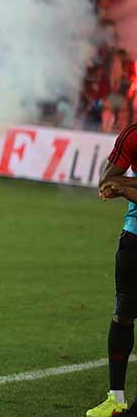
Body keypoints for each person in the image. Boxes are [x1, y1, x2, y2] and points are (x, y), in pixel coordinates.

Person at [89, 124, 137, 416]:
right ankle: (115, 400)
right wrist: (120, 186)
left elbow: (118, 185)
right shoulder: (133, 134)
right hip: (135, 237)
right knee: (123, 316)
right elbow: (107, 180)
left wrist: (126, 187)